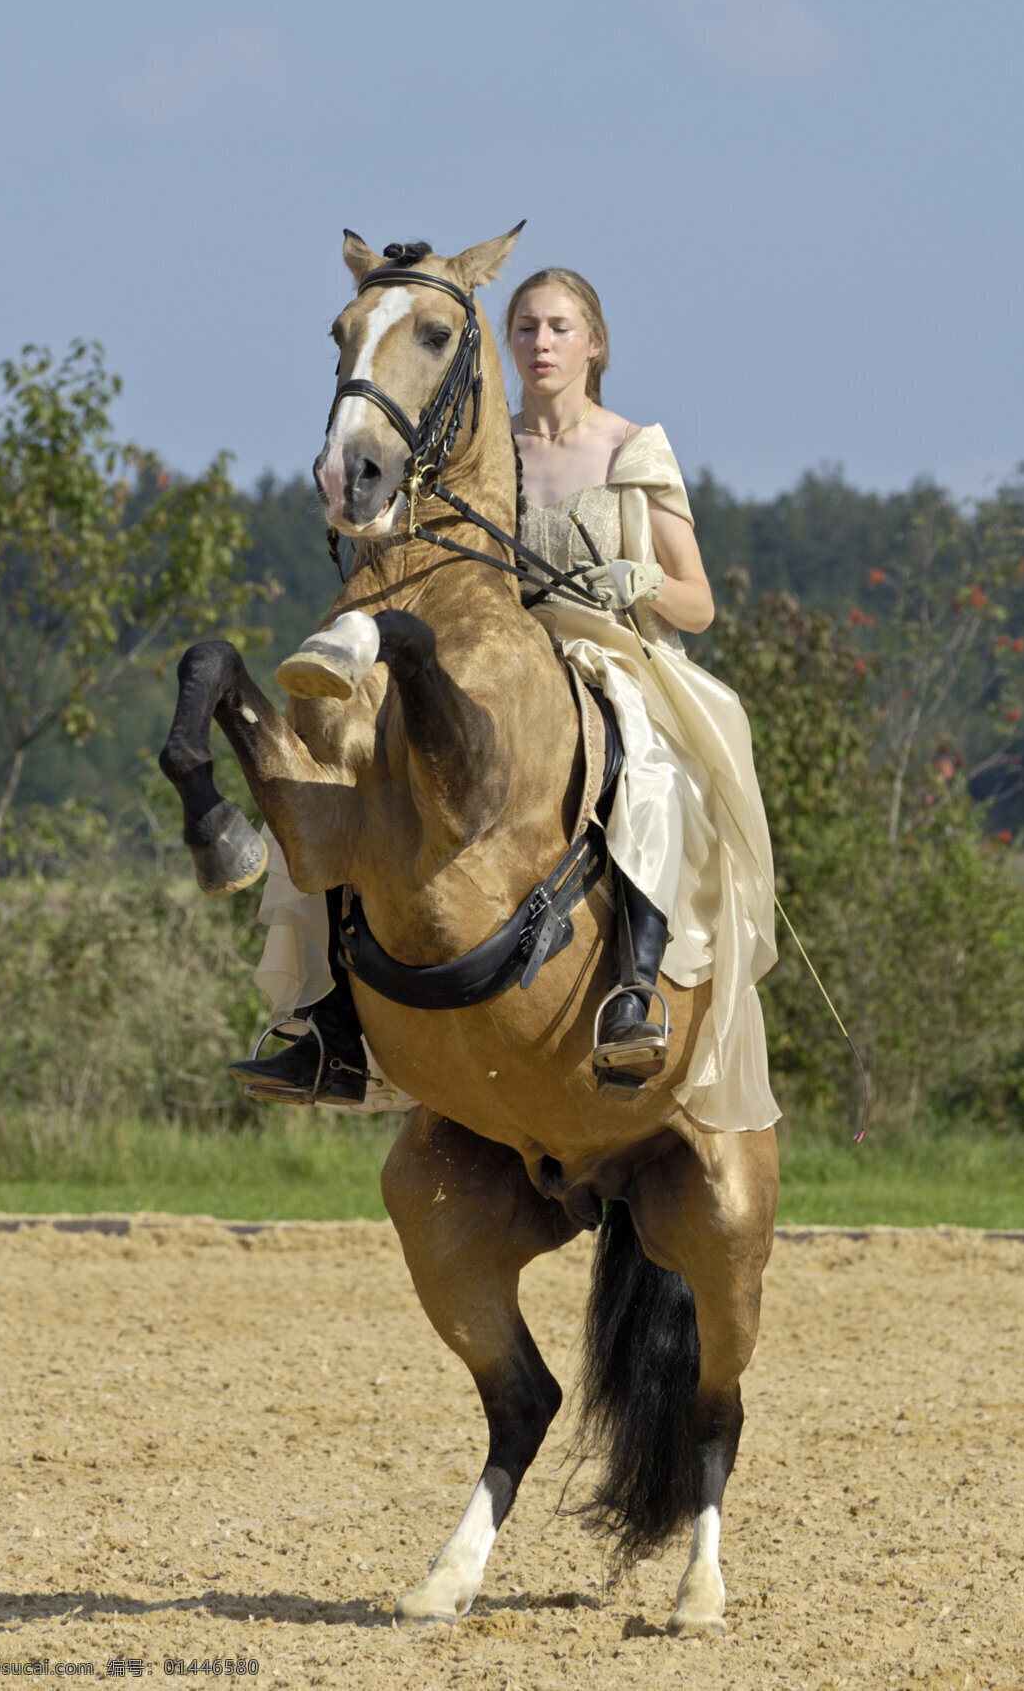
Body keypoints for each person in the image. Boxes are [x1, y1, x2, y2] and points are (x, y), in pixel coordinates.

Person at [234, 268, 779, 1130]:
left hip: (606, 651)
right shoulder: (480, 445)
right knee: (346, 769)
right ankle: (327, 1018)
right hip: (483, 660)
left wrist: (637, 580)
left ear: (594, 343)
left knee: (648, 761)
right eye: (525, 327)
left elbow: (698, 602)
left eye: (560, 328)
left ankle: (636, 985)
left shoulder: (633, 450)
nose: (541, 343)